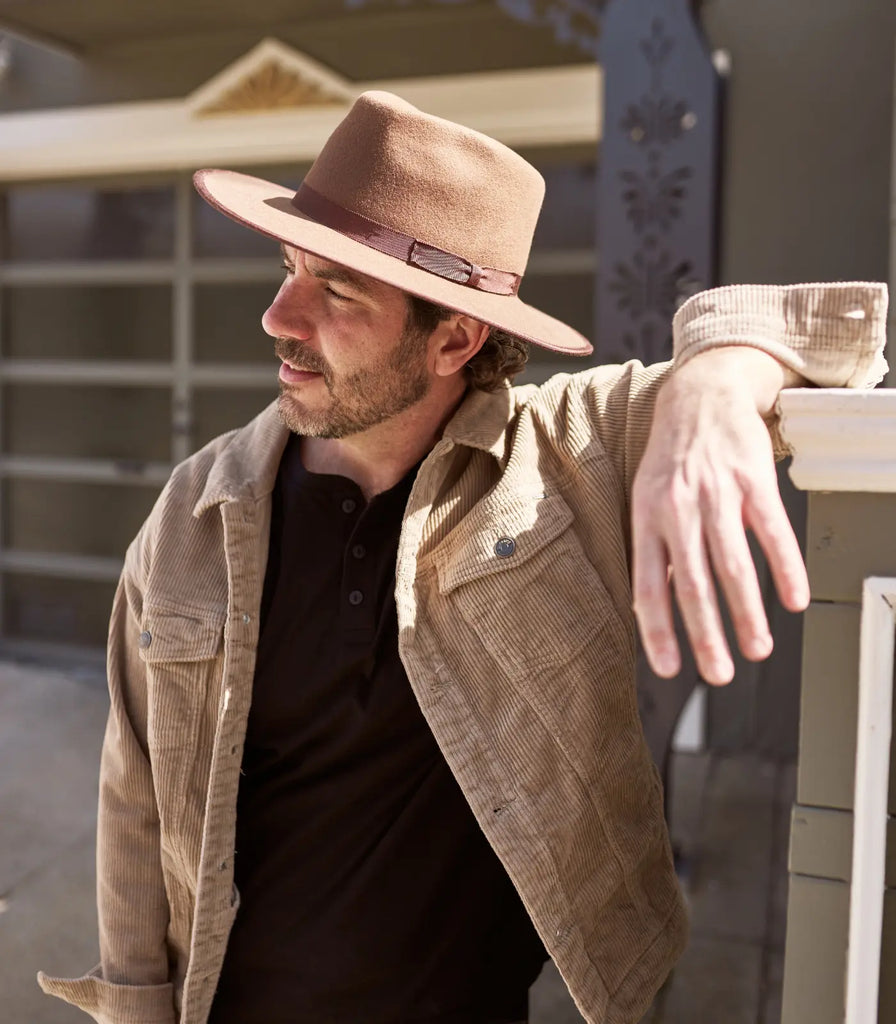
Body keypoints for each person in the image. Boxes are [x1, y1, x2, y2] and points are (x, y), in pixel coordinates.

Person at [39, 91, 887, 1024]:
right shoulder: (197, 512)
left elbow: (824, 328)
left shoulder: (567, 455)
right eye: (288, 268)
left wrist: (708, 391)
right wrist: (135, 1005)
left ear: (455, 336)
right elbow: (136, 792)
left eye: (337, 289)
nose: (280, 316)